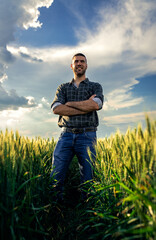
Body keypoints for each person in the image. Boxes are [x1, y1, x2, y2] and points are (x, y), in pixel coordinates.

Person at [50, 53, 104, 202]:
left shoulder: (95, 86)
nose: (79, 64)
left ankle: (86, 211)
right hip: (65, 135)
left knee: (88, 177)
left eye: (82, 61)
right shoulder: (63, 87)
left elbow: (96, 104)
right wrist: (86, 105)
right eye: (76, 62)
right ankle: (54, 209)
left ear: (86, 65)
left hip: (87, 136)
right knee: (56, 175)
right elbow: (56, 109)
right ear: (71, 66)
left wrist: (69, 104)